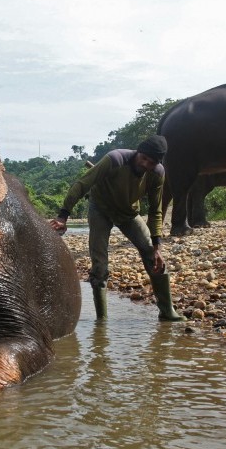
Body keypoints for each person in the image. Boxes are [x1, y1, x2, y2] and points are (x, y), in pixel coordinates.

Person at [49, 135, 186, 321]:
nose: (145, 164)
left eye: (151, 162)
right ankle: (102, 320)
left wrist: (157, 246)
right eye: (143, 158)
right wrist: (63, 216)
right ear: (138, 152)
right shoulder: (115, 159)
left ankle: (167, 311)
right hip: (101, 209)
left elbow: (156, 211)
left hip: (128, 213)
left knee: (153, 257)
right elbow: (82, 184)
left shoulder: (158, 174)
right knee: (100, 266)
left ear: (157, 163)